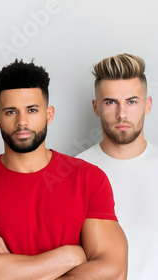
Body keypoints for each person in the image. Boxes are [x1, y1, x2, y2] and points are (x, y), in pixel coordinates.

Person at [0, 59, 128, 279]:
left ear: (49, 115)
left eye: (32, 110)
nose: (22, 122)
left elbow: (113, 271)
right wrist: (69, 256)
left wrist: (15, 271)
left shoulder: (88, 178)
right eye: (11, 112)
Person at [77, 53, 156, 279]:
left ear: (147, 105)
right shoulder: (74, 172)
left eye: (131, 101)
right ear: (95, 107)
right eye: (111, 102)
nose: (122, 114)